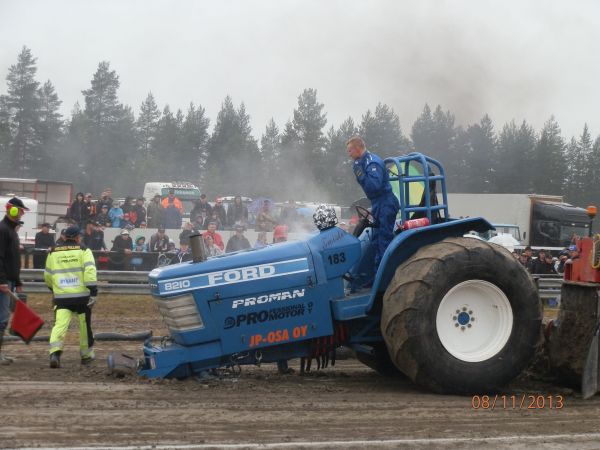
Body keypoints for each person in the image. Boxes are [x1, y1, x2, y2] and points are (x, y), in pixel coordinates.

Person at [45, 225, 98, 368]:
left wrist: (55, 290)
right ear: (76, 237)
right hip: (82, 297)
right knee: (84, 325)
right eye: (80, 236)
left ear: (64, 237)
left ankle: (55, 353)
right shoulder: (84, 250)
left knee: (59, 325)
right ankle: (86, 355)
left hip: (61, 297)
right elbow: (90, 271)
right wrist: (93, 291)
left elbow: (48, 276)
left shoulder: (53, 252)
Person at [347, 136, 400, 268]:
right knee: (375, 240)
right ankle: (373, 275)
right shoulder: (362, 162)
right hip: (377, 203)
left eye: (350, 151)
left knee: (383, 240)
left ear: (358, 149)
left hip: (386, 202)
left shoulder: (372, 162)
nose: (349, 155)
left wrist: (361, 174)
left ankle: (382, 280)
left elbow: (373, 186)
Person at [0, 197, 29, 365]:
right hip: (3, 283)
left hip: (9, 281)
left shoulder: (11, 231)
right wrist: (2, 280)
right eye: (20, 210)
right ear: (12, 210)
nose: (22, 214)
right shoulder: (3, 230)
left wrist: (17, 281)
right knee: (1, 319)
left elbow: (13, 260)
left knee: (3, 318)